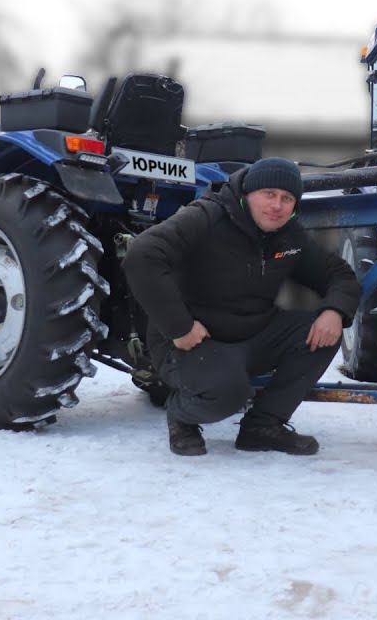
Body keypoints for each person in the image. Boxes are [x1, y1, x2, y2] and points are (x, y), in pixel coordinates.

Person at [124, 157, 359, 456]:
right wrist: (178, 326)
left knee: (323, 333)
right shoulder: (206, 217)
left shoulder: (289, 235)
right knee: (228, 395)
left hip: (253, 335)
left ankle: (262, 426)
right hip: (193, 342)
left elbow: (338, 274)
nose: (277, 205)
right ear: (247, 193)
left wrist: (334, 311)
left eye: (287, 198)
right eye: (269, 194)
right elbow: (142, 255)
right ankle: (181, 415)